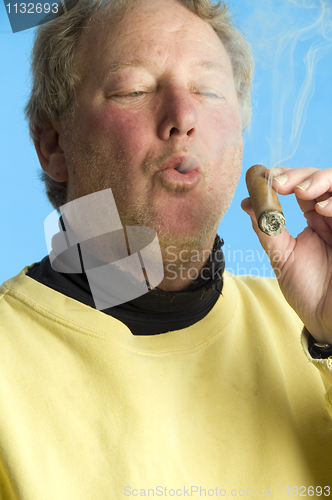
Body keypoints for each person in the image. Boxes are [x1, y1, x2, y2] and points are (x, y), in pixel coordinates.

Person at [1, 0, 332, 498]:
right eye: (133, 89)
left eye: (208, 90)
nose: (183, 116)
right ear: (52, 144)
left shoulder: (312, 328)